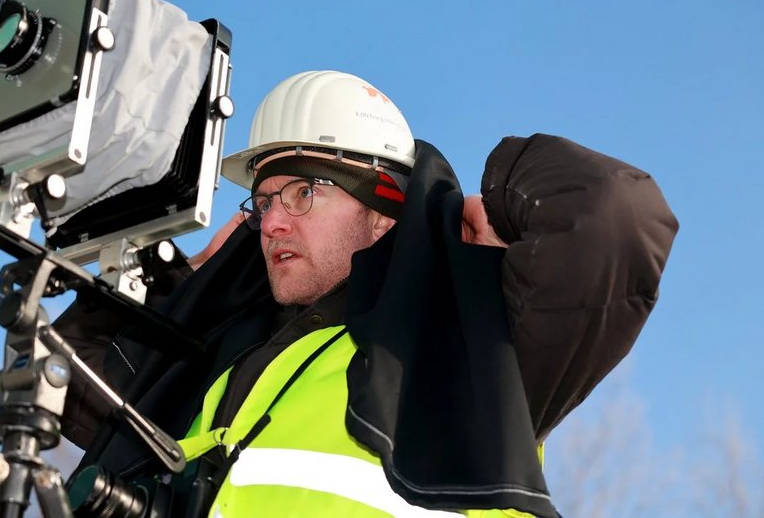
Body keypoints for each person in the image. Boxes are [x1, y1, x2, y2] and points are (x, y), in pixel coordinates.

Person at [55, 70, 678, 517]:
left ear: (385, 212)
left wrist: (497, 193)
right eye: (264, 201)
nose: (271, 222)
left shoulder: (475, 346)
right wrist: (175, 289)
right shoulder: (228, 362)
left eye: (305, 192)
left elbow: (615, 214)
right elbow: (70, 388)